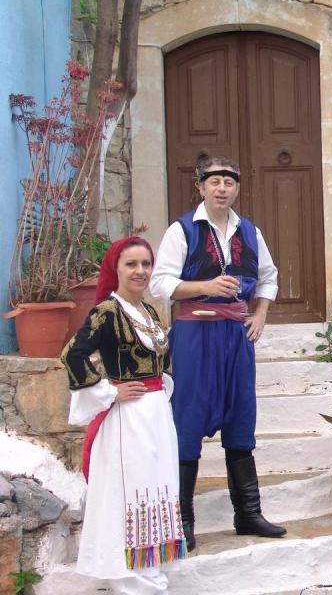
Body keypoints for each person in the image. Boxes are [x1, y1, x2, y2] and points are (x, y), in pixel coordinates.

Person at [150, 151, 285, 552]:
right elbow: (161, 283)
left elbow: (268, 278)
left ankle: (247, 513)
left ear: (237, 188)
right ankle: (182, 521)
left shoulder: (250, 232)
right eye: (214, 181)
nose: (221, 188)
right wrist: (205, 287)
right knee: (189, 418)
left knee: (241, 415)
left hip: (236, 335)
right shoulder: (182, 231)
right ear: (201, 186)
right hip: (194, 333)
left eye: (229, 182)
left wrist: (259, 315)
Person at [62, 237, 184, 595]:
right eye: (131, 264)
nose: (140, 271)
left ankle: (151, 567)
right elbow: (73, 354)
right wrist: (109, 392)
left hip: (156, 416)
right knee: (133, 493)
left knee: (158, 486)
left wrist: (162, 385)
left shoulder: (150, 311)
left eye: (146, 264)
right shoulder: (107, 312)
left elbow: (161, 361)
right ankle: (131, 578)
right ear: (115, 268)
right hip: (128, 420)